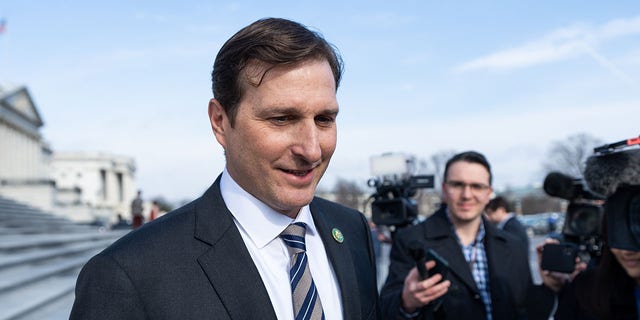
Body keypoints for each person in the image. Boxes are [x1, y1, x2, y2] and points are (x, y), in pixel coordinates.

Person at [70, 18, 380, 320]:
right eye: (281, 119)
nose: (312, 149)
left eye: (324, 119)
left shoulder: (351, 230)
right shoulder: (127, 276)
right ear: (220, 122)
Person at [380, 151, 532, 319]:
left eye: (477, 186)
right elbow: (386, 309)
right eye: (457, 185)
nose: (466, 195)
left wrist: (549, 289)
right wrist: (406, 303)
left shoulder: (513, 245)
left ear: (489, 193)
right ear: (445, 189)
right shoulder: (410, 240)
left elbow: (526, 308)